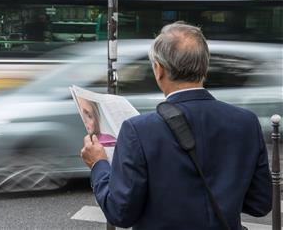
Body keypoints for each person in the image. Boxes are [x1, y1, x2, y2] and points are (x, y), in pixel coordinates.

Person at [80, 21, 272, 229]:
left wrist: (98, 165)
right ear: (204, 67)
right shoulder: (246, 122)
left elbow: (120, 212)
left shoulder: (139, 130)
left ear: (159, 69)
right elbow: (260, 203)